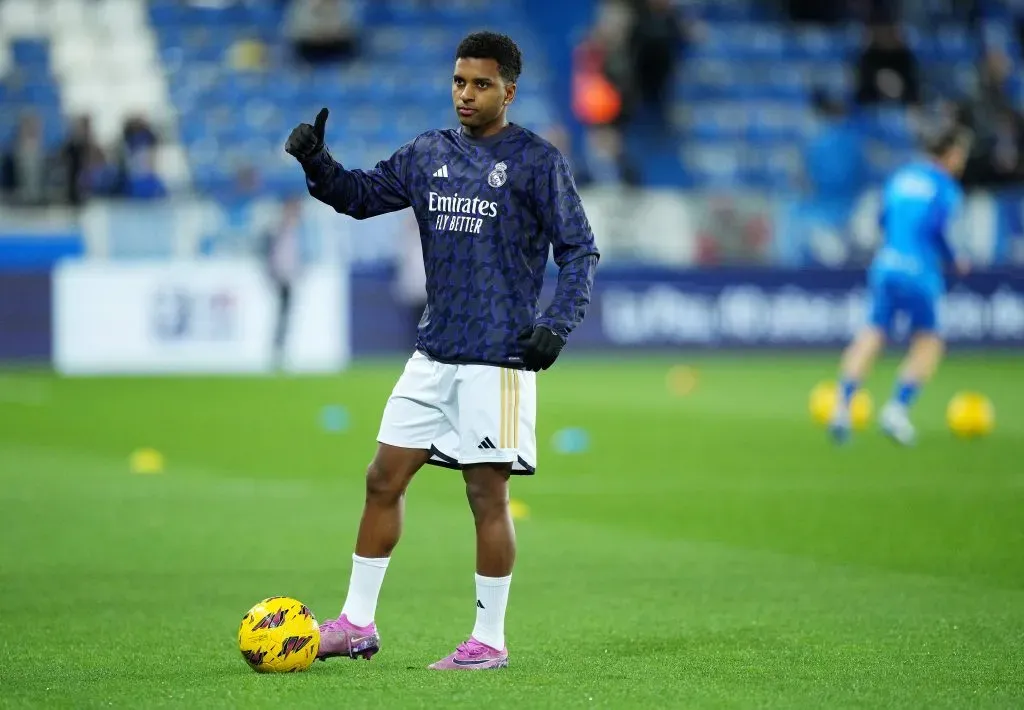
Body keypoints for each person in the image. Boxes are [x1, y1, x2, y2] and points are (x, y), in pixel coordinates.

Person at [284, 31, 599, 670]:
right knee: (382, 479)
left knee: (486, 496)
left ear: (509, 91)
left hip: (498, 362)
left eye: (481, 84)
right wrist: (317, 163)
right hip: (433, 354)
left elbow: (579, 251)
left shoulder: (538, 162)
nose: (466, 94)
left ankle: (489, 640)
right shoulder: (430, 152)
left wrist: (558, 323)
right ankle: (357, 624)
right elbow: (361, 196)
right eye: (459, 81)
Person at [829, 123, 973, 446]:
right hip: (919, 270)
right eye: (961, 153)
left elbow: (882, 219)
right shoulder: (945, 187)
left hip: (886, 264)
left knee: (872, 332)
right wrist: (955, 258)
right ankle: (896, 410)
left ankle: (842, 407)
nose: (962, 161)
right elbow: (940, 229)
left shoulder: (901, 177)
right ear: (949, 154)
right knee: (930, 340)